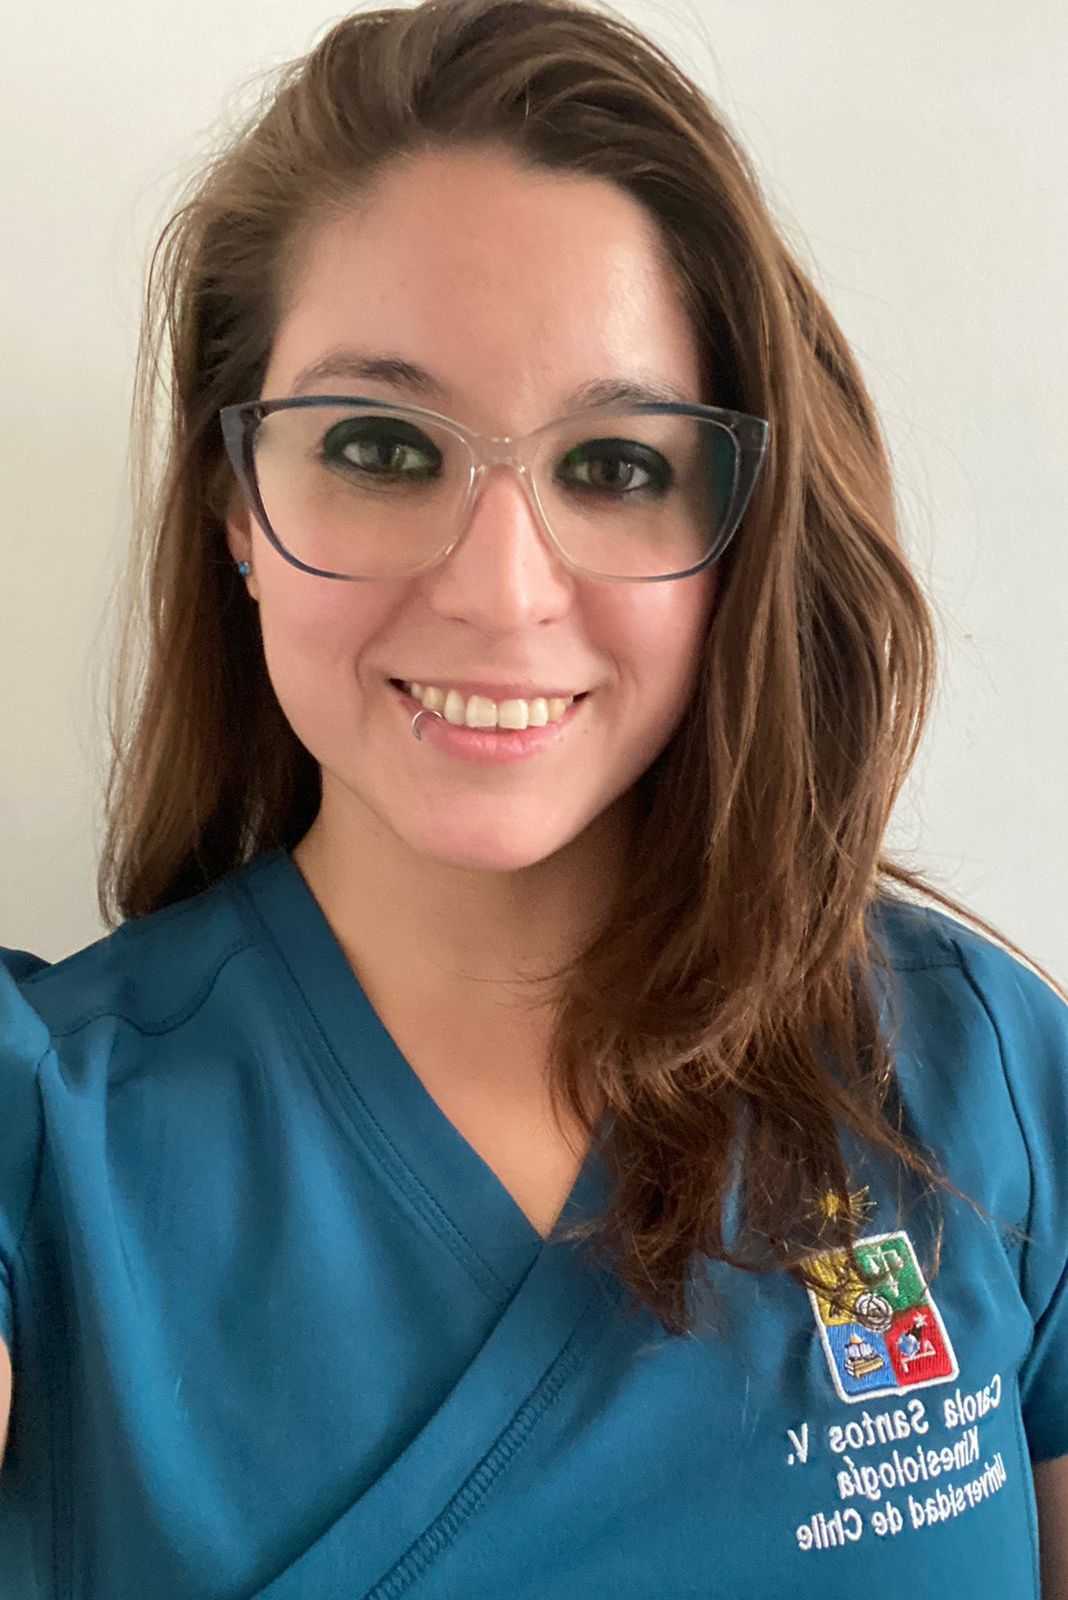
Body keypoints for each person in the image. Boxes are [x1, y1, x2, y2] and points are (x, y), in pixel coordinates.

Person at [1, 0, 1065, 1593]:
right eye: (380, 447)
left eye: (617, 466)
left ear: (740, 529)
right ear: (235, 507)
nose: (501, 592)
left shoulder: (982, 1074)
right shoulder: (38, 1143)